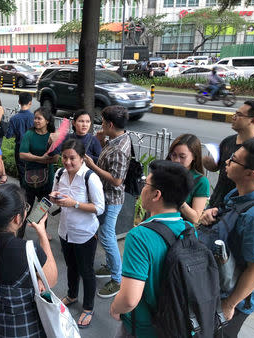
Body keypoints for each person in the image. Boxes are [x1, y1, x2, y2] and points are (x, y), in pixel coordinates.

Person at [109, 160, 194, 337]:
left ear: (156, 195)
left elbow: (129, 299)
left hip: (143, 329)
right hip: (177, 324)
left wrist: (115, 308)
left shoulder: (140, 236)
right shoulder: (189, 230)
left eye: (145, 183)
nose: (142, 188)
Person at [200, 138, 254, 337]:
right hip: (218, 285)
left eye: (234, 160)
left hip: (233, 300)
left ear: (250, 174)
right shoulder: (235, 193)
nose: (226, 162)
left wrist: (229, 305)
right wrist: (212, 213)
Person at [0, 184, 58, 337]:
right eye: (26, 207)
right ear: (17, 218)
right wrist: (42, 234)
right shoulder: (28, 250)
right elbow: (51, 280)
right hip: (25, 329)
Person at [49, 139, 105, 329]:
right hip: (65, 231)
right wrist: (55, 199)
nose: (68, 162)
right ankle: (72, 295)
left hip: (85, 233)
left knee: (86, 271)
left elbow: (99, 208)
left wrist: (75, 203)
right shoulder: (59, 174)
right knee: (71, 266)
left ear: (82, 159)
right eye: (64, 157)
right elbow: (55, 193)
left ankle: (88, 307)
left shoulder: (90, 178)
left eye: (72, 158)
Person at [84, 105, 131, 298]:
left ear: (110, 124)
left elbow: (117, 180)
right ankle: (112, 266)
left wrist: (92, 166)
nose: (101, 125)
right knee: (105, 234)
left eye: (103, 122)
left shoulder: (119, 149)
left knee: (107, 236)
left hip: (111, 199)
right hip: (106, 196)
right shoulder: (118, 138)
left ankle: (117, 279)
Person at [203, 101, 254, 208]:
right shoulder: (228, 141)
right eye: (235, 114)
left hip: (237, 209)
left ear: (253, 120)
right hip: (215, 205)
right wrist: (209, 164)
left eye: (239, 115)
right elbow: (219, 167)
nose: (234, 117)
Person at [19, 107, 60, 239]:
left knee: (44, 205)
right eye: (35, 118)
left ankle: (42, 231)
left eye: (39, 118)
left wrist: (46, 158)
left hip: (47, 177)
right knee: (26, 206)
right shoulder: (29, 134)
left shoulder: (52, 135)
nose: (36, 121)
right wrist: (41, 159)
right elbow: (22, 154)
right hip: (29, 177)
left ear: (47, 120)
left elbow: (56, 158)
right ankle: (19, 232)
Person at [166, 134, 209, 224]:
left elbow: (195, 218)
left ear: (194, 156)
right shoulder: (164, 173)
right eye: (173, 155)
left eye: (182, 156)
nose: (177, 160)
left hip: (180, 231)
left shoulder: (201, 181)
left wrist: (179, 199)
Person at [5, 92, 34, 188]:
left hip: (20, 148)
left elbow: (8, 135)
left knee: (22, 172)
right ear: (30, 103)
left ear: (19, 102)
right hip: (32, 148)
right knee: (32, 171)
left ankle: (23, 191)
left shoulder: (14, 118)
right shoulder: (34, 117)